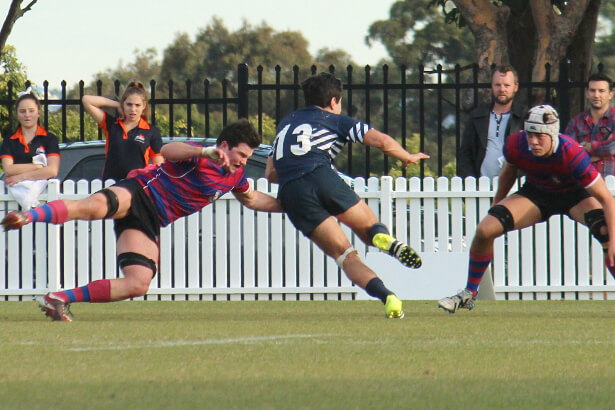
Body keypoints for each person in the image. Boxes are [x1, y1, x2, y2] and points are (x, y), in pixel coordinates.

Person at [1, 119, 283, 321]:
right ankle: (29, 215)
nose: (244, 161)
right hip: (141, 192)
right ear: (224, 145)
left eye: (248, 157)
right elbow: (171, 151)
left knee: (138, 284)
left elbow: (254, 199)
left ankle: (58, 299)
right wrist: (202, 151)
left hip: (152, 220)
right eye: (241, 155)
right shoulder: (201, 156)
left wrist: (292, 207)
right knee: (95, 207)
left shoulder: (236, 177)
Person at [265, 72, 429, 319]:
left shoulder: (285, 124)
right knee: (369, 228)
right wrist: (406, 156)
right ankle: (382, 238)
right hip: (322, 176)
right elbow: (380, 141)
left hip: (291, 191)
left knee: (344, 255)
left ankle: (389, 297)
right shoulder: (334, 119)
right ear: (333, 101)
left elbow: (270, 174)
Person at [439, 105, 615, 313]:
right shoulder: (516, 144)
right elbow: (508, 173)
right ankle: (469, 294)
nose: (533, 141)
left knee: (604, 229)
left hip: (573, 195)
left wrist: (612, 240)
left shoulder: (572, 154)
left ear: (553, 134)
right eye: (530, 134)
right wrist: (497, 205)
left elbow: (606, 199)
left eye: (539, 136)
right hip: (537, 194)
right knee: (485, 230)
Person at [82, 81, 163, 181]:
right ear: (123, 104)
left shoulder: (151, 131)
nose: (133, 109)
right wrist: (117, 104)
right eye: (129, 104)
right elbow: (86, 100)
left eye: (137, 105)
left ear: (144, 106)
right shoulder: (112, 125)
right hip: (110, 184)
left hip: (137, 186)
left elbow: (158, 166)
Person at [457, 65, 525, 178]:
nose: (502, 89)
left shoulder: (524, 117)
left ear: (515, 87)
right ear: (492, 87)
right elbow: (465, 154)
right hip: (480, 186)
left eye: (507, 85)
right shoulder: (477, 117)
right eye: (497, 85)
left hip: (514, 188)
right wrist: (470, 180)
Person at [0, 89, 61, 209]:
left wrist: (20, 177)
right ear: (17, 114)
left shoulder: (50, 139)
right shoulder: (9, 140)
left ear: (38, 112)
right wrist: (37, 167)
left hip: (44, 201)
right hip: (13, 204)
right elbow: (9, 169)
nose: (27, 115)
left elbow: (52, 171)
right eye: (22, 111)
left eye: (31, 111)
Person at [565, 72, 615, 176]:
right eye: (592, 90)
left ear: (610, 94)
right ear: (587, 93)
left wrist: (589, 147)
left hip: (612, 183)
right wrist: (603, 153)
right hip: (583, 184)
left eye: (601, 91)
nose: (596, 95)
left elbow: (612, 147)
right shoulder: (575, 122)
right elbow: (569, 153)